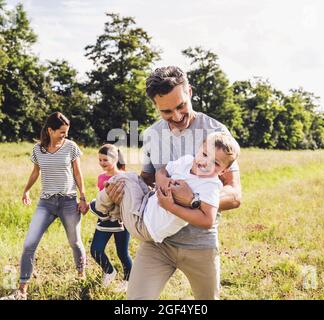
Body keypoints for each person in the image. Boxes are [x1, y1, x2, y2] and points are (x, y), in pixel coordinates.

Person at [106, 66, 242, 300]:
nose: (177, 117)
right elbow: (147, 181)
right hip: (158, 242)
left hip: (200, 244)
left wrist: (194, 201)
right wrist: (124, 191)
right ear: (156, 106)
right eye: (167, 112)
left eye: (181, 106)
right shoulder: (151, 135)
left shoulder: (216, 132)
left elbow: (235, 194)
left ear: (189, 91)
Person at [91, 133, 239, 246]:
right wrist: (163, 180)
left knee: (123, 179)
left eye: (215, 163)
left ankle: (99, 206)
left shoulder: (210, 186)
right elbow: (162, 171)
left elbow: (208, 220)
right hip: (147, 203)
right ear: (199, 149)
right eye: (205, 154)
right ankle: (112, 210)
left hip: (146, 225)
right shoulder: (186, 161)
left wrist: (171, 207)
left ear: (223, 171)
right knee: (132, 178)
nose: (205, 162)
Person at [0, 112, 89, 300]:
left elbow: (78, 174)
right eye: (61, 132)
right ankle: (22, 290)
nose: (64, 135)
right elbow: (35, 172)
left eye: (66, 132)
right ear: (50, 130)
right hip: (46, 203)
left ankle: (82, 278)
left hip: (68, 201)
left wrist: (82, 197)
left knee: (75, 242)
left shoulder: (71, 147)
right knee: (29, 244)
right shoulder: (38, 149)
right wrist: (26, 190)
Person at [89, 144, 132, 292]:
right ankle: (109, 271)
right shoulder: (101, 177)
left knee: (122, 253)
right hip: (105, 220)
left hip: (121, 221)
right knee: (95, 250)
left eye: (105, 160)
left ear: (114, 159)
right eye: (100, 160)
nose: (102, 163)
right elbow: (101, 199)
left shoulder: (123, 177)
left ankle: (128, 281)